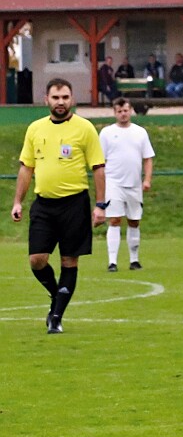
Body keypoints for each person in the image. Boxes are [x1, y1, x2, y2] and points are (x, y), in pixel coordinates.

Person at [10, 78, 107, 334]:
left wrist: (100, 205)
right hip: (43, 205)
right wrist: (18, 201)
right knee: (36, 260)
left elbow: (98, 168)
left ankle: (56, 317)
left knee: (69, 261)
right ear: (47, 100)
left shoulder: (85, 128)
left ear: (72, 99)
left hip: (74, 204)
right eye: (56, 97)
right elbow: (26, 168)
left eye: (65, 97)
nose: (60, 102)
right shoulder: (35, 129)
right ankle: (57, 296)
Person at [99, 97, 155, 272]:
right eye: (119, 111)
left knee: (134, 220)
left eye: (125, 110)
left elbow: (148, 158)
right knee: (115, 219)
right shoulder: (107, 133)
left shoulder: (140, 132)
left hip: (134, 184)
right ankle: (112, 262)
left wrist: (147, 180)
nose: (123, 114)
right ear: (114, 112)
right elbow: (100, 161)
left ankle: (134, 260)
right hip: (113, 183)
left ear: (130, 111)